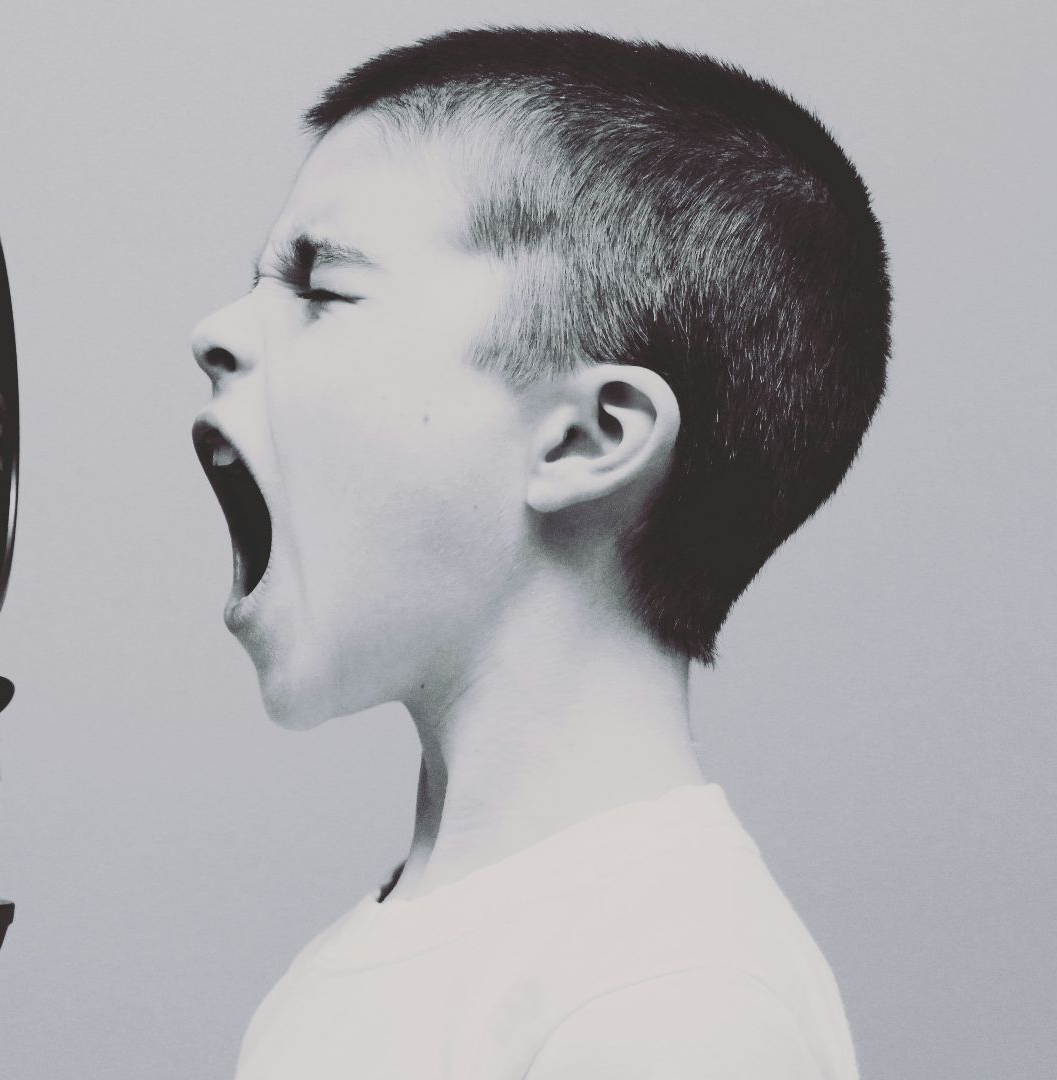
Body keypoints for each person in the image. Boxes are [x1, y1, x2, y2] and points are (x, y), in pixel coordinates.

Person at [189, 27, 887, 1079]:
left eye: (323, 287)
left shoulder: (670, 1007)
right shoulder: (368, 965)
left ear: (587, 437)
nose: (217, 331)